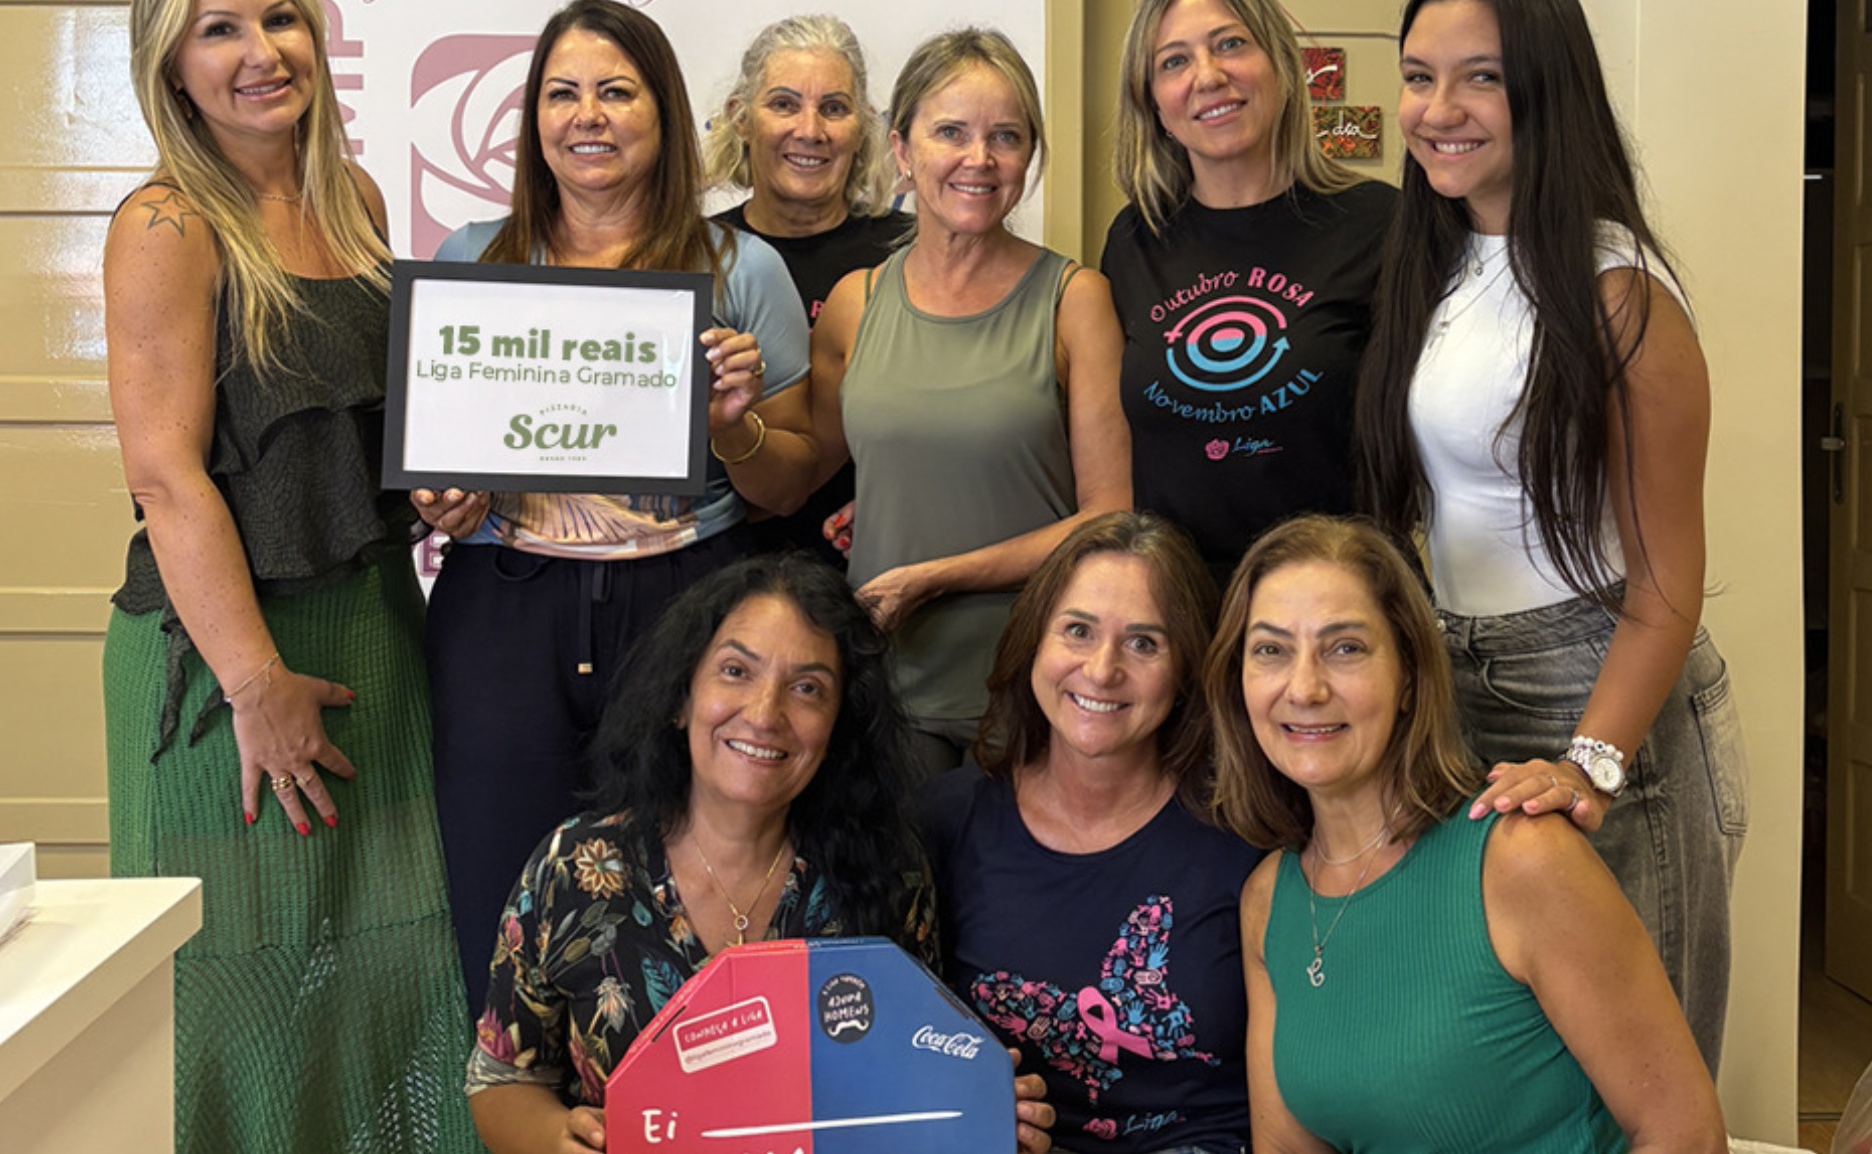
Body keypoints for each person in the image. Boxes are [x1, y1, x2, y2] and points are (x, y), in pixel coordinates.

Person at [101, 0, 477, 1153]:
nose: (261, 52)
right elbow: (167, 479)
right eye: (219, 31)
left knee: (394, 956)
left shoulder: (351, 198)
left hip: (374, 629)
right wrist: (254, 682)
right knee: (240, 977)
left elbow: (363, 430)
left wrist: (436, 492)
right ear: (172, 66)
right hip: (225, 657)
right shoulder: (166, 225)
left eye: (278, 20)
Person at [1354, 0, 1746, 1069]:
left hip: (1598, 693)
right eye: (1418, 76)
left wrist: (1591, 764)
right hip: (1462, 682)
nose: (1437, 110)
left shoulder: (1618, 291)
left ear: (1546, 86)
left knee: (1637, 1074)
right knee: (1515, 1072)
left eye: (1479, 77)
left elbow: (1663, 583)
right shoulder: (1438, 258)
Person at [417, 0, 819, 1015]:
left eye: (616, 91)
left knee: (680, 894)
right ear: (533, 120)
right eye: (562, 93)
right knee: (500, 895)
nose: (587, 115)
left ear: (664, 113)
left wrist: (733, 424)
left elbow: (786, 485)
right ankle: (520, 1094)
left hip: (687, 606)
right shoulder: (470, 259)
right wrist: (444, 502)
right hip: (505, 607)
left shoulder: (742, 269)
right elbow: (436, 475)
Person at [465, 553, 1057, 1154]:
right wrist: (556, 1139)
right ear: (680, 697)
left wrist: (980, 1108)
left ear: (838, 728)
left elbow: (912, 1082)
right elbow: (501, 1078)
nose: (765, 713)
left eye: (807, 688)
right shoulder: (575, 867)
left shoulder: (887, 873)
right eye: (735, 671)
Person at [1207, 516, 1724, 1153]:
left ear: (1409, 678)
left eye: (1346, 648)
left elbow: (1686, 1136)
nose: (1305, 687)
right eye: (1271, 650)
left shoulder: (1521, 856)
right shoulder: (1267, 902)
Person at [810, 27, 1132, 776]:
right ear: (901, 149)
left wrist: (935, 576)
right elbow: (805, 472)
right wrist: (728, 423)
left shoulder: (1075, 300)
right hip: (890, 692)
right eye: (950, 132)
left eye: (1006, 137)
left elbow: (1109, 518)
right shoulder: (856, 303)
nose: (979, 158)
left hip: (1039, 690)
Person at [925, 512, 1261, 1153]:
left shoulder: (1246, 832)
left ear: (1186, 669)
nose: (1102, 670)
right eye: (1077, 631)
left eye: (1144, 643)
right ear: (1033, 641)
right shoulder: (945, 820)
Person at [1103, 0, 1396, 583]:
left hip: (1330, 603)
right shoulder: (1133, 239)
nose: (1208, 76)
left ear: (1281, 64)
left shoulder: (1379, 222)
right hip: (1175, 608)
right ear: (1153, 103)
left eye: (1231, 44)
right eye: (1173, 61)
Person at [706, 13, 914, 565]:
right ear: (740, 117)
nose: (810, 130)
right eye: (784, 104)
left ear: (864, 126)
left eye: (834, 108)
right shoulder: (695, 255)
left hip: (879, 563)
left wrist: (917, 498)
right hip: (719, 566)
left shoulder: (913, 255)